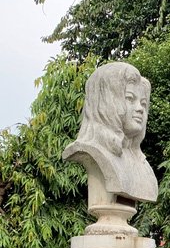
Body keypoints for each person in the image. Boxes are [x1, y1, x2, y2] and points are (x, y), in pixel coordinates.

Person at [64, 62, 158, 206]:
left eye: (143, 103)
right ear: (106, 101)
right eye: (130, 99)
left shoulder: (142, 166)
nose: (140, 109)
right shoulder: (92, 149)